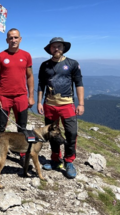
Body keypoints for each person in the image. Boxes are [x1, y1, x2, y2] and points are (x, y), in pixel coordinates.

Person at [37, 37, 84, 179]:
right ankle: (55, 159)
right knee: (52, 134)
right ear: (50, 49)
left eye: (59, 46)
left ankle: (69, 161)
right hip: (49, 105)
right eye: (53, 47)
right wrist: (39, 102)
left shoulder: (72, 63)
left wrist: (81, 104)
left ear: (63, 48)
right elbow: (41, 85)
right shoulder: (44, 65)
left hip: (67, 104)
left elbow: (79, 83)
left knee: (71, 133)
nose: (56, 49)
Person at [0, 28, 35, 165]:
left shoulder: (26, 56)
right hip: (4, 96)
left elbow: (30, 76)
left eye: (16, 37)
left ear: (20, 39)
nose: (13, 40)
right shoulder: (0, 56)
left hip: (21, 96)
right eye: (11, 38)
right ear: (7, 40)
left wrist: (31, 96)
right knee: (0, 127)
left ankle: (23, 153)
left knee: (22, 127)